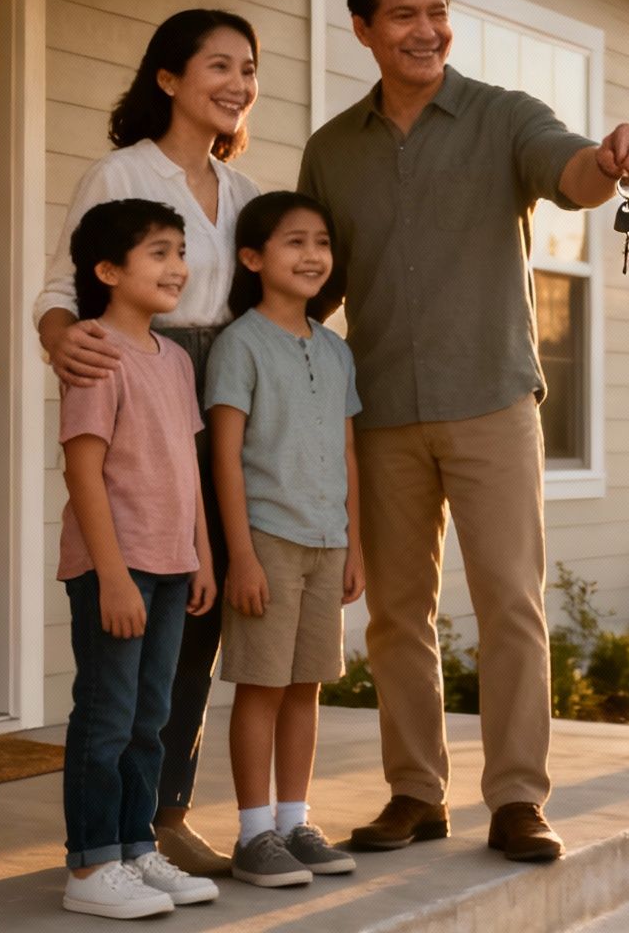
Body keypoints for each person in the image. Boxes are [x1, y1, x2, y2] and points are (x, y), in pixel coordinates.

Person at [297, 0, 629, 863]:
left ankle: (517, 801)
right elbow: (315, 281)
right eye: (405, 16)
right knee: (395, 615)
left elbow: (570, 172)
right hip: (379, 408)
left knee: (508, 604)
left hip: (491, 401)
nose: (427, 30)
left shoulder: (504, 117)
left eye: (438, 12)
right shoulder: (332, 150)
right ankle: (416, 792)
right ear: (364, 30)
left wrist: (611, 162)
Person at [35, 10, 262, 876]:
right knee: (136, 582)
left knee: (197, 600)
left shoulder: (244, 195)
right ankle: (117, 838)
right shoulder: (121, 173)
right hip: (140, 370)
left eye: (248, 70)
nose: (238, 84)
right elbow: (67, 281)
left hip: (223, 380)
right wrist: (63, 337)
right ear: (167, 79)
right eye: (218, 66)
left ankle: (162, 811)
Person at [54, 198, 220, 919]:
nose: (176, 267)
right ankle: (91, 868)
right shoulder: (94, 351)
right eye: (158, 252)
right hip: (112, 570)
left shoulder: (176, 359)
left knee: (153, 717)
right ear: (108, 270)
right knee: (107, 717)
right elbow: (83, 471)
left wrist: (202, 556)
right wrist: (113, 574)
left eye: (180, 251)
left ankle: (134, 845)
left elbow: (186, 465)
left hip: (172, 564)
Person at [205, 192, 365, 887]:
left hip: (328, 540)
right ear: (253, 257)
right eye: (294, 242)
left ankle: (296, 822)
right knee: (262, 687)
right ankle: (252, 834)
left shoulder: (336, 350)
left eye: (322, 242)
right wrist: (239, 553)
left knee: (307, 687)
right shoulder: (240, 344)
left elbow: (348, 452)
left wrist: (356, 543)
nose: (312, 255)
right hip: (267, 540)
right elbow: (225, 455)